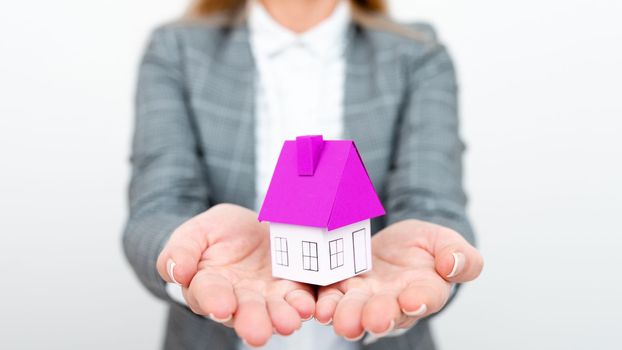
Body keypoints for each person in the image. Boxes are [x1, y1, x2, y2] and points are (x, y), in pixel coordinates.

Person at [123, 0, 484, 349]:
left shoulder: (418, 54)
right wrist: (189, 260)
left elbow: (432, 201)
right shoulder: (176, 49)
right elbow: (157, 206)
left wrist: (429, 260)